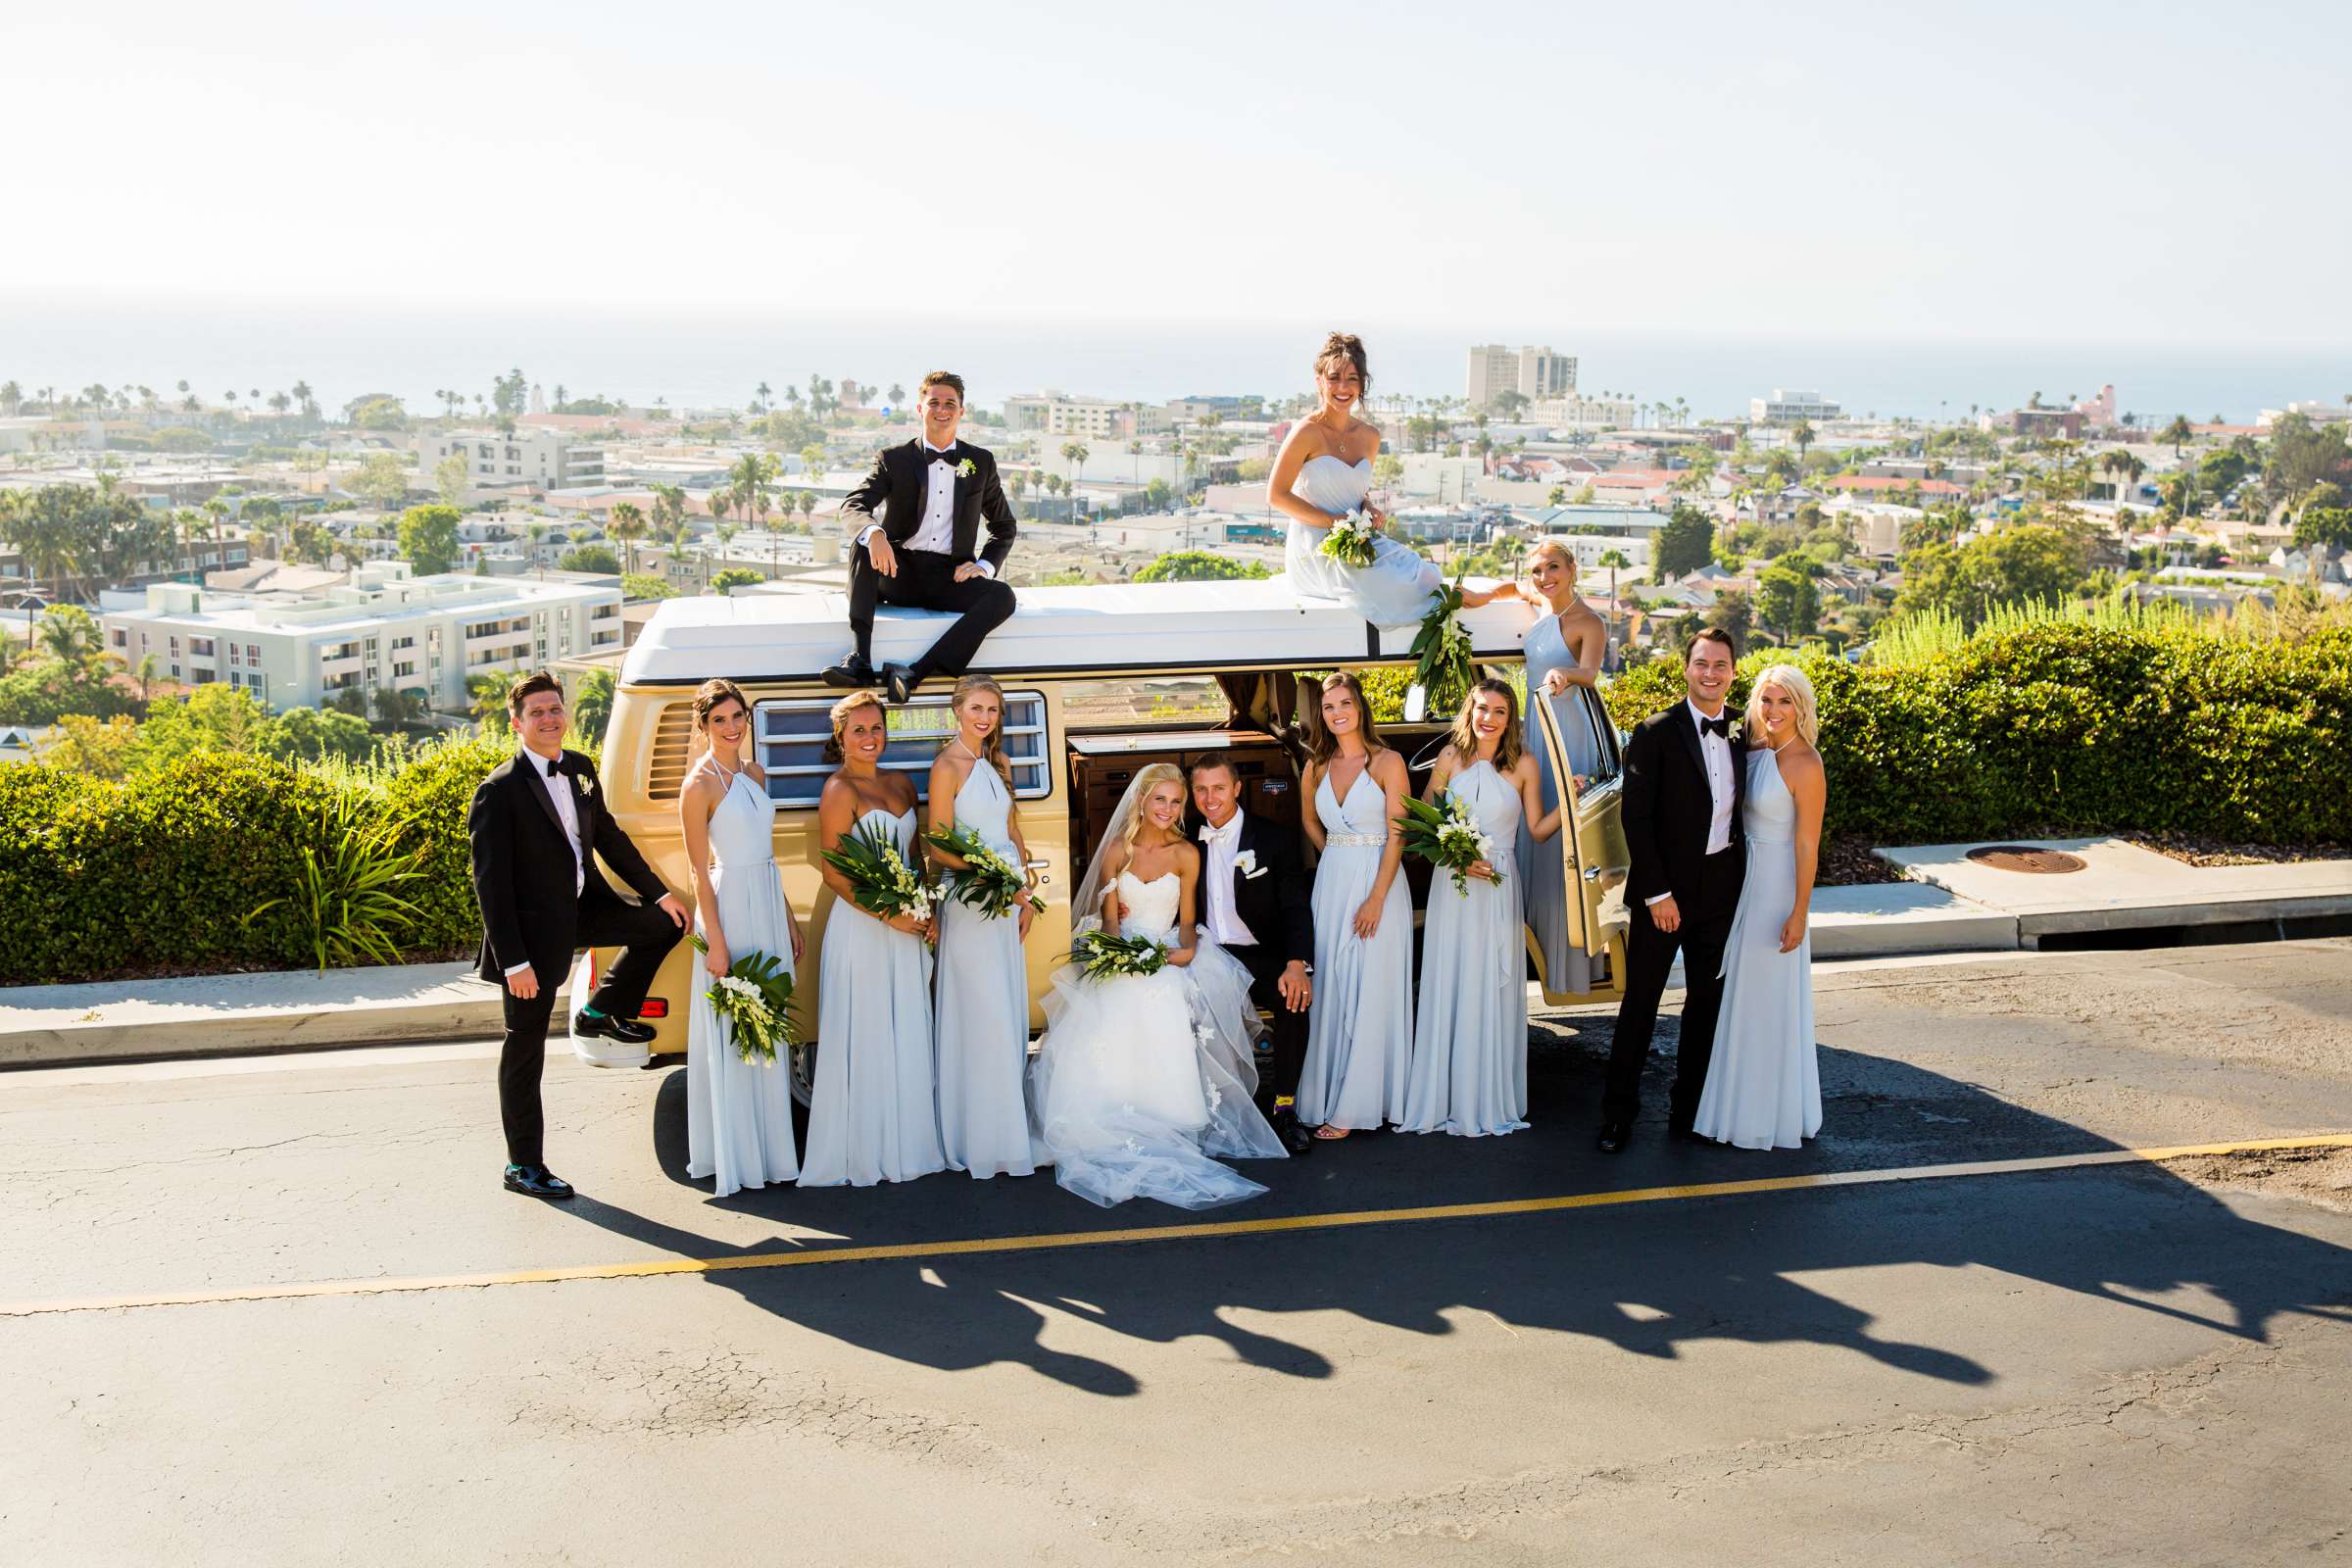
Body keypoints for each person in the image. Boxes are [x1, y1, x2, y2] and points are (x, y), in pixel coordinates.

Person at [467, 671, 687, 1200]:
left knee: (666, 925)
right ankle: (523, 1165)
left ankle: (598, 1012)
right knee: (525, 1050)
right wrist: (514, 962)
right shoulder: (498, 791)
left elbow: (608, 836)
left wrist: (659, 894)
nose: (549, 719)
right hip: (531, 935)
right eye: (537, 712)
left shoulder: (582, 769)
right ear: (517, 723)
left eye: (554, 709)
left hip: (584, 909)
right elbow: (490, 887)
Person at [1029, 762, 1286, 1209]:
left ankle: (1169, 1115)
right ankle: (1112, 1111)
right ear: (1142, 802)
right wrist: (1119, 954)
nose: (1168, 809)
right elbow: (1109, 920)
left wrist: (1175, 956)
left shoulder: (1187, 853)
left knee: (1164, 993)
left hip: (1166, 951)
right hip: (1123, 950)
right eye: (1160, 799)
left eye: (1176, 801)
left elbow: (1187, 927)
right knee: (1112, 996)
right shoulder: (1116, 851)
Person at [1598, 628, 1748, 1155]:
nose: (1711, 673)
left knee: (1706, 1006)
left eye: (1721, 665)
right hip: (1663, 893)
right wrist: (1658, 893)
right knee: (1641, 1004)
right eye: (1702, 663)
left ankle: (1689, 1114)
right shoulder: (1655, 730)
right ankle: (1618, 1116)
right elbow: (1634, 818)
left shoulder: (1743, 731)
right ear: (1686, 668)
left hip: (1720, 890)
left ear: (1733, 671)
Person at [799, 692, 947, 1188]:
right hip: (864, 927)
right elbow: (833, 872)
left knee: (905, 1023)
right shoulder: (839, 790)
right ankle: (865, 1147)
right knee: (866, 1028)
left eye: (877, 728)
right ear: (841, 736)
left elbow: (915, 856)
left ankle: (909, 1142)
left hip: (907, 922)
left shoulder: (902, 784)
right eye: (859, 729)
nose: (870, 738)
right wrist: (890, 915)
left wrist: (926, 910)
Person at [1400, 679, 1560, 1138]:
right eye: (1482, 709)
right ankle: (1444, 1093)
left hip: (1498, 879)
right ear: (1469, 711)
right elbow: (1426, 810)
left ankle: (1487, 1093)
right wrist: (1450, 847)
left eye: (1499, 712)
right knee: (1451, 976)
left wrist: (1572, 803)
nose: (1488, 719)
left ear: (1510, 720)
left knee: (1490, 979)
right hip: (1453, 880)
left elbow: (1538, 829)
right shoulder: (1450, 757)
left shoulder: (1524, 764)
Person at [1269, 331, 1511, 630]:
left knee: (1421, 573)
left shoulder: (1369, 436)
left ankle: (1462, 598)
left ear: (1362, 384)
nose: (1343, 388)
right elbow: (1277, 495)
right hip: (1317, 549)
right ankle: (1457, 601)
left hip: (1358, 539)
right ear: (1319, 380)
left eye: (1352, 379)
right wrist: (1333, 522)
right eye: (1334, 378)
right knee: (1393, 584)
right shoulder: (1306, 432)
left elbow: (1356, 489)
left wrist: (1368, 506)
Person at [822, 370, 1018, 706]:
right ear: (920, 408)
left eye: (950, 403)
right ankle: (859, 659)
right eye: (934, 402)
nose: (942, 409)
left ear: (961, 411)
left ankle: (914, 673)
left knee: (1003, 597)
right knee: (863, 542)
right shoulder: (894, 459)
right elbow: (854, 504)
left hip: (950, 577)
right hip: (899, 572)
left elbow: (1004, 526)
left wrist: (983, 566)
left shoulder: (980, 462)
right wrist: (875, 533)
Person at [679, 677, 805, 1198]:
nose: (731, 728)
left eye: (737, 717)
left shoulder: (755, 771)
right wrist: (719, 942)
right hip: (729, 905)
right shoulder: (699, 785)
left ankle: (772, 1151)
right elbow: (697, 871)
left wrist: (788, 917)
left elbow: (766, 852)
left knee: (769, 1018)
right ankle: (739, 1153)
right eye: (719, 720)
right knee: (735, 1026)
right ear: (704, 726)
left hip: (766, 899)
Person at [1693, 664, 1826, 1150]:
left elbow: (1808, 845)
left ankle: (1763, 1116)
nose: (1773, 711)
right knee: (1738, 995)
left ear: (1801, 707)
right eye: (1766, 701)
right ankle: (1732, 1105)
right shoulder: (1749, 748)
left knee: (1766, 999)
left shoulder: (1806, 764)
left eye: (1784, 702)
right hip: (1740, 879)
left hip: (1776, 887)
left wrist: (1799, 912)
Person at [927, 674, 1042, 1180]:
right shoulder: (945, 766)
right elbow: (937, 844)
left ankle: (1005, 1129)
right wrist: (992, 878)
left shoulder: (1000, 763)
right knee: (979, 1013)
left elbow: (1012, 830)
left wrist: (1026, 894)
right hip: (971, 901)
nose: (984, 718)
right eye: (976, 708)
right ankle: (974, 1135)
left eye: (992, 711)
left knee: (1005, 1012)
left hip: (1006, 899)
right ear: (958, 710)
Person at [1296, 672, 1414, 1138]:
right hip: (1333, 880)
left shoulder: (1388, 761)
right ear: (1321, 715)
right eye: (1328, 707)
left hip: (1380, 883)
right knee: (1334, 986)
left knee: (1371, 988)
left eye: (1345, 703)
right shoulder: (1316, 766)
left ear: (1360, 707)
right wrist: (1335, 858)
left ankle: (1359, 1106)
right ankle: (1329, 1093)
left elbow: (1399, 833)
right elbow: (1308, 819)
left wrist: (1375, 897)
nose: (1337, 712)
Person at [1187, 755, 1318, 1156]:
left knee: (1292, 999)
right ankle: (1199, 1108)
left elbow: (1296, 906)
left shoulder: (1273, 839)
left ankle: (1285, 1107)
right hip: (1208, 954)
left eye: (1219, 788)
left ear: (1237, 788)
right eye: (1201, 790)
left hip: (1261, 953)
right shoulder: (1186, 839)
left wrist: (1297, 963)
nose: (1210, 799)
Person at [1516, 540, 1610, 995]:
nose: (1544, 576)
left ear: (1572, 569)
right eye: (1537, 570)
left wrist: (1565, 675)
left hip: (1566, 734)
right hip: (1533, 728)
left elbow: (1591, 672)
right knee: (1529, 831)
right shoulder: (1541, 603)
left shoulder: (1587, 621)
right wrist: (1476, 596)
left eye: (1553, 567)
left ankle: (1567, 965)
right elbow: (1511, 590)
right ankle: (1532, 952)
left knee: (1562, 845)